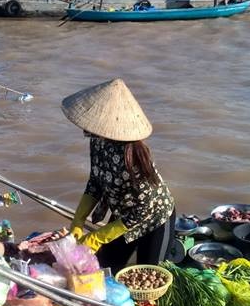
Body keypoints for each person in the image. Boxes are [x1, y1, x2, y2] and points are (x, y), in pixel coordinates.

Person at [63, 78, 176, 273]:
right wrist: (78, 220)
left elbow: (142, 210)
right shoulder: (97, 141)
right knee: (103, 269)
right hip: (124, 214)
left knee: (149, 276)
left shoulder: (133, 157)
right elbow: (96, 180)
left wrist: (98, 237)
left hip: (155, 218)